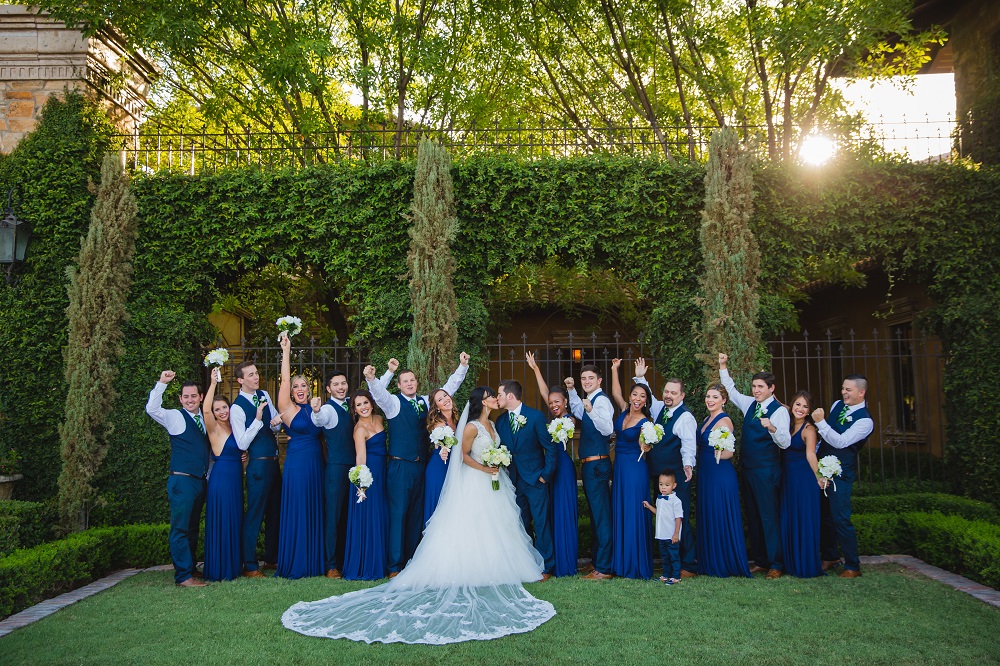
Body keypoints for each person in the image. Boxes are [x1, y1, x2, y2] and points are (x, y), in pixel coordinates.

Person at [282, 387, 556, 644]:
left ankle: (499, 564)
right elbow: (464, 454)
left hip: (493, 482)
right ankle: (404, 564)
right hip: (471, 476)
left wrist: (496, 460)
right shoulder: (469, 426)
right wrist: (485, 467)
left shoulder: (494, 424)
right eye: (491, 395)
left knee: (494, 523)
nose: (496, 397)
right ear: (482, 401)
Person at [364, 353, 470, 577]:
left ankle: (412, 562)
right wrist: (374, 379)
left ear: (416, 382)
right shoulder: (393, 403)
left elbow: (448, 388)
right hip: (400, 467)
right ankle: (394, 566)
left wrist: (462, 366)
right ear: (399, 385)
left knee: (416, 516)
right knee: (398, 515)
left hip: (422, 466)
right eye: (405, 381)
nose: (410, 383)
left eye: (412, 380)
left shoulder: (424, 402)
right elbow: (379, 394)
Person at [312, 368, 393, 579]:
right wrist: (316, 411)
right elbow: (319, 420)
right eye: (336, 384)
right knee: (334, 515)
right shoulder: (328, 410)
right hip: (338, 469)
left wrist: (389, 372)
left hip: (361, 468)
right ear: (328, 389)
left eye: (343, 383)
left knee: (352, 516)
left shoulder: (353, 403)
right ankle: (331, 565)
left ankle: (346, 558)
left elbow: (373, 392)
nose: (341, 387)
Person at [718, 353, 791, 578]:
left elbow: (785, 442)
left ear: (771, 388)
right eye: (754, 386)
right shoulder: (750, 404)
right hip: (748, 469)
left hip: (766, 471)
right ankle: (761, 560)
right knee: (754, 516)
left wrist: (772, 428)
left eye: (760, 387)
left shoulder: (779, 411)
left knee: (769, 517)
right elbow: (731, 391)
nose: (756, 390)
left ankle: (776, 563)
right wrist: (723, 366)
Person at [633, 358, 698, 578]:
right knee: (663, 518)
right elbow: (650, 396)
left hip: (677, 477)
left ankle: (688, 564)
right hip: (659, 476)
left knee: (679, 517)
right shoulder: (662, 408)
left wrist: (688, 465)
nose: (668, 395)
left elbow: (688, 444)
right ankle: (670, 561)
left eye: (673, 393)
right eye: (667, 391)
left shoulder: (685, 417)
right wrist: (640, 377)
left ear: (682, 395)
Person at [145, 371, 209, 587]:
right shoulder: (174, 417)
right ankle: (183, 576)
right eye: (186, 397)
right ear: (181, 399)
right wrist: (162, 383)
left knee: (192, 528)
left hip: (199, 481)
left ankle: (190, 568)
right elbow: (152, 409)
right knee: (180, 528)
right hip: (182, 482)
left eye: (194, 396)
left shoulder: (205, 419)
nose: (190, 400)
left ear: (201, 397)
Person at [202, 368, 262, 582]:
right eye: (217, 409)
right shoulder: (214, 428)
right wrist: (212, 383)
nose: (221, 412)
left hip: (236, 479)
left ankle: (233, 567)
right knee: (223, 521)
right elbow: (205, 410)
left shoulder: (236, 426)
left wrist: (243, 459)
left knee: (234, 521)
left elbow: (243, 447)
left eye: (224, 407)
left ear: (230, 407)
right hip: (221, 481)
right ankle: (219, 568)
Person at [812, 374, 874, 579]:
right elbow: (825, 439)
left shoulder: (865, 421)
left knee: (840, 518)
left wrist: (820, 422)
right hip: (821, 471)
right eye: (843, 388)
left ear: (861, 392)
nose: (843, 393)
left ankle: (853, 566)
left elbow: (840, 441)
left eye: (848, 390)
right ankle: (830, 557)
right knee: (824, 516)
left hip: (841, 474)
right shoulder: (837, 405)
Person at [496, 379, 558, 579]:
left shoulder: (535, 416)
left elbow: (550, 448)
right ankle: (528, 564)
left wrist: (545, 476)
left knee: (541, 523)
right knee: (521, 524)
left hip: (535, 480)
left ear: (510, 396)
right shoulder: (500, 421)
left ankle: (546, 567)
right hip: (513, 481)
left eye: (499, 394)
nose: (497, 398)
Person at [274, 334, 324, 579]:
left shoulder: (317, 409)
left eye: (304, 385)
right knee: (298, 507)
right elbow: (284, 379)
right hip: (297, 463)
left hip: (316, 463)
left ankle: (315, 561)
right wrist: (287, 350)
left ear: (309, 389)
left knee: (315, 507)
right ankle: (296, 561)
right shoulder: (287, 408)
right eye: (296, 386)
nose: (300, 389)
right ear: (291, 392)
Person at [526, 351, 578, 577]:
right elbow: (545, 392)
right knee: (552, 513)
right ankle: (554, 559)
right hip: (552, 468)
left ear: (566, 402)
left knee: (563, 511)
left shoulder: (569, 419)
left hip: (563, 468)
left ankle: (566, 562)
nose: (553, 405)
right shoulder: (554, 418)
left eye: (557, 401)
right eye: (550, 403)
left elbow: (560, 437)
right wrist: (536, 369)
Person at [230, 361, 283, 578]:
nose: (256, 377)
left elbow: (276, 427)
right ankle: (250, 565)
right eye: (251, 374)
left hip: (273, 463)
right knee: (255, 515)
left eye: (256, 373)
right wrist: (258, 420)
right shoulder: (236, 408)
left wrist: (276, 422)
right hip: (258, 466)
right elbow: (242, 443)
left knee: (274, 513)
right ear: (240, 380)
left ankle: (271, 558)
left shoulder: (264, 395)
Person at [696, 384, 751, 578]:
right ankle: (710, 561)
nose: (710, 400)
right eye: (708, 396)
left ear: (724, 400)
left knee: (719, 514)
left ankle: (723, 562)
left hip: (719, 474)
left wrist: (719, 451)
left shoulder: (724, 421)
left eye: (715, 397)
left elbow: (729, 452)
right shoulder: (707, 419)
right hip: (706, 473)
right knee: (709, 513)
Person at [565, 365, 615, 580]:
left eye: (590, 378)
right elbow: (578, 410)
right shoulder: (589, 400)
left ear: (599, 380)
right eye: (583, 378)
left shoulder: (601, 401)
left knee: (602, 517)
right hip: (589, 465)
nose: (586, 381)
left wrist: (592, 411)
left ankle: (604, 567)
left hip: (597, 465)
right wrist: (571, 390)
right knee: (596, 516)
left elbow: (607, 428)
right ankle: (597, 561)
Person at [608, 358, 653, 580]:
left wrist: (647, 445)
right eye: (635, 394)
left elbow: (646, 445)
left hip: (635, 470)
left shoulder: (646, 422)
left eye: (642, 396)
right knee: (621, 511)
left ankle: (635, 563)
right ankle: (622, 562)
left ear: (646, 401)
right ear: (630, 397)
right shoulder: (624, 410)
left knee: (634, 512)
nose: (637, 399)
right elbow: (615, 392)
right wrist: (614, 370)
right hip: (620, 469)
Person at [339, 390, 388, 581]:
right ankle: (366, 564)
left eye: (365, 402)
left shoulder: (379, 419)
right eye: (358, 405)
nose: (363, 407)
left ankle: (381, 562)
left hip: (383, 473)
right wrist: (362, 484)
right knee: (369, 517)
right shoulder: (359, 429)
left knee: (381, 515)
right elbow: (360, 457)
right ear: (354, 409)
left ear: (371, 403)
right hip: (369, 477)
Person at [780, 391, 823, 578]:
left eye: (805, 406)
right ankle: (790, 563)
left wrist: (820, 477)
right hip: (788, 479)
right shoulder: (787, 423)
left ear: (810, 410)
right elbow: (778, 403)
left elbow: (811, 454)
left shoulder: (809, 429)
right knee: (790, 518)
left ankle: (805, 564)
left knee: (803, 519)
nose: (800, 409)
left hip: (803, 481)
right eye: (798, 404)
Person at [424, 388, 459, 525]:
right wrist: (443, 449)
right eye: (440, 399)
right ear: (437, 407)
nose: (445, 399)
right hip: (440, 466)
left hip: (454, 465)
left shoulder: (457, 420)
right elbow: (440, 444)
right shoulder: (438, 424)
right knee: (440, 504)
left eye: (445, 395)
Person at [643, 471, 684, 585]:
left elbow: (678, 518)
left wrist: (676, 533)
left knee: (674, 556)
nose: (663, 487)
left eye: (667, 485)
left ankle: (676, 576)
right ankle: (666, 575)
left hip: (671, 536)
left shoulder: (676, 501)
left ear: (674, 485)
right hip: (662, 535)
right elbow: (659, 513)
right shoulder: (659, 499)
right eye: (661, 484)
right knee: (665, 557)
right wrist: (649, 506)